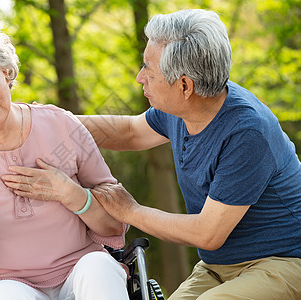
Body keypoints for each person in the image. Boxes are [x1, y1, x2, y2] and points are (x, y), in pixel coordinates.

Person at [76, 9, 301, 300]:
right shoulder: (183, 109)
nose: (139, 77)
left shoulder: (248, 132)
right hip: (218, 265)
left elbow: (207, 232)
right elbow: (130, 131)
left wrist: (130, 211)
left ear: (185, 85)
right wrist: (51, 121)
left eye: (149, 70)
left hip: (283, 261)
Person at [0, 25, 129, 299]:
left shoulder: (62, 125)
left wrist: (72, 194)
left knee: (99, 266)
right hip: (3, 284)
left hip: (81, 272)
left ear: (6, 73)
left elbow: (115, 224)